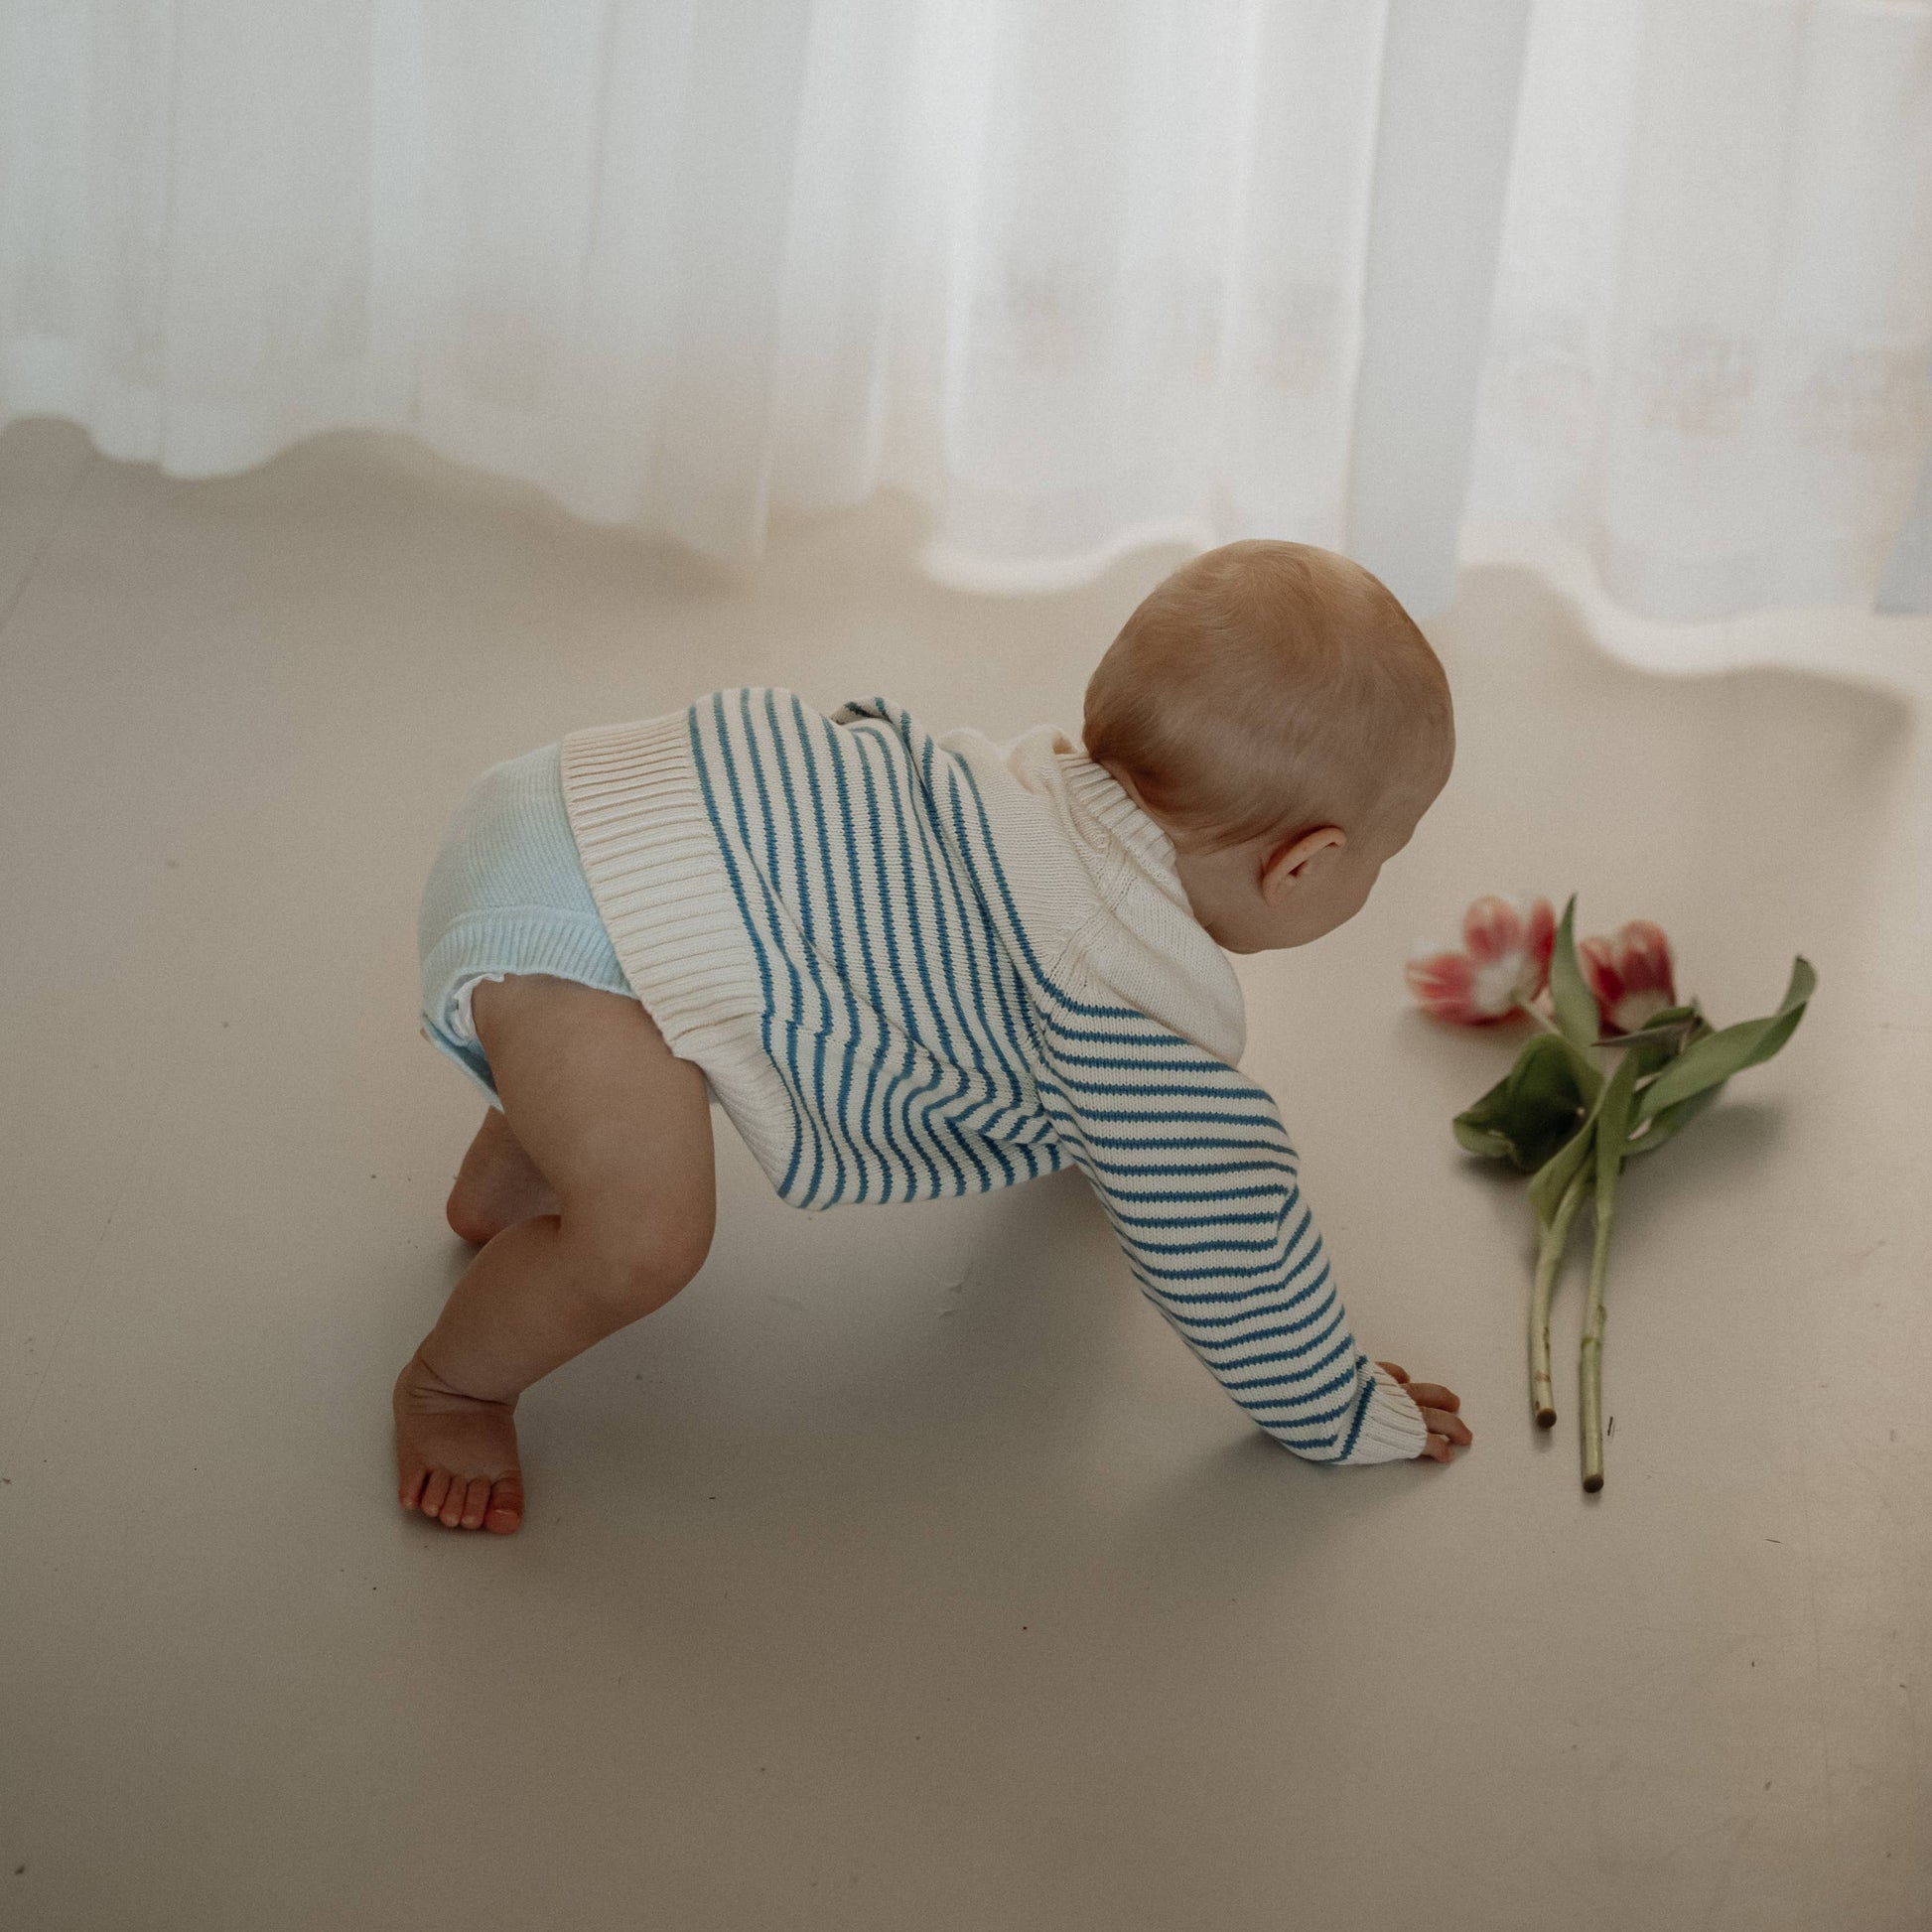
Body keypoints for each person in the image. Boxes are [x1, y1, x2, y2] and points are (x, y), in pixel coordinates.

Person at [399, 539, 1472, 1534]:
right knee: (644, 1236)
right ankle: (454, 1383)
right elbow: (1227, 1238)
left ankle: (502, 1191)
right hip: (589, 921)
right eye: (1385, 855)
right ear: (1306, 864)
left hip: (579, 803)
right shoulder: (1116, 1001)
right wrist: (1336, 1401)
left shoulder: (1023, 805)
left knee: (626, 1043)